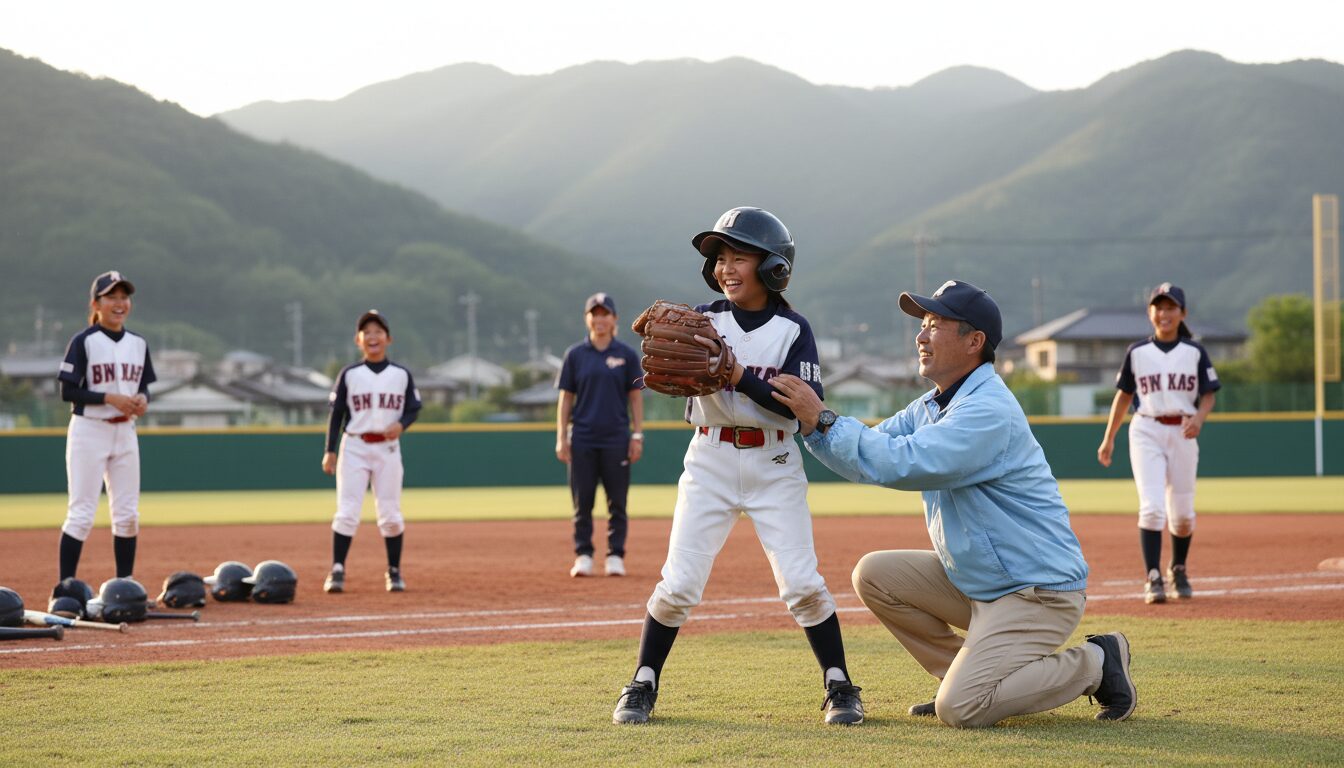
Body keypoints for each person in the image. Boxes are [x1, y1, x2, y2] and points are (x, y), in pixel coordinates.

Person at [771, 279, 1137, 727]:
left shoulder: (987, 411)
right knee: (875, 575)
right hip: (981, 585)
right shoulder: (931, 405)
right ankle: (959, 678)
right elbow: (869, 450)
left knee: (960, 710)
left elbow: (902, 462)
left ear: (974, 341)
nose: (921, 336)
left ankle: (1097, 662)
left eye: (935, 325)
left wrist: (823, 418)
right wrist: (813, 426)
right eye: (922, 325)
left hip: (1035, 593)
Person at [612, 207, 864, 726]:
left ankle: (839, 685)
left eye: (739, 257)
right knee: (679, 583)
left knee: (801, 584)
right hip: (709, 459)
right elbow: (672, 370)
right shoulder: (704, 321)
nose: (726, 268)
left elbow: (803, 404)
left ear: (773, 267)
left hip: (774, 461)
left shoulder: (793, 330)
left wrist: (737, 374)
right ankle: (642, 682)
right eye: (720, 258)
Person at [1098, 283, 1219, 604]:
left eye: (1170, 307)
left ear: (1182, 313)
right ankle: (1153, 577)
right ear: (1150, 312)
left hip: (1182, 431)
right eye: (1158, 307)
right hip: (1146, 429)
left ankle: (1178, 568)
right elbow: (1123, 396)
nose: (1164, 313)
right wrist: (1109, 438)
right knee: (1151, 508)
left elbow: (1208, 394)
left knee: (1182, 516)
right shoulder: (1138, 352)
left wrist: (1199, 417)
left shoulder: (1194, 351)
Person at [56, 270, 156, 582]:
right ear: (96, 303)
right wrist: (109, 397)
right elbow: (68, 391)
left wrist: (142, 399)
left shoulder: (138, 343)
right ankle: (64, 588)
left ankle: (124, 587)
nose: (119, 303)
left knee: (127, 516)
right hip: (90, 430)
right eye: (111, 296)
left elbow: (143, 386)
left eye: (123, 296)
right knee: (81, 514)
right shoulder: (84, 341)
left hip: (125, 432)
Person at [321, 309, 422, 593]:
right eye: (367, 332)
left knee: (390, 513)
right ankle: (337, 570)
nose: (373, 336)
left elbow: (414, 408)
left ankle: (394, 571)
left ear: (388, 339)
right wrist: (330, 450)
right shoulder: (350, 374)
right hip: (354, 446)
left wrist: (402, 425)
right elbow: (337, 413)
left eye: (378, 331)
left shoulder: (400, 375)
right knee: (347, 512)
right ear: (358, 340)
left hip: (388, 448)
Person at [556, 293, 645, 578]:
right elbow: (566, 398)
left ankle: (615, 556)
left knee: (617, 502)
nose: (600, 319)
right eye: (594, 313)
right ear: (587, 318)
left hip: (616, 438)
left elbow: (636, 398)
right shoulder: (575, 355)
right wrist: (561, 436)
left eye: (605, 313)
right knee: (582, 502)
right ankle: (583, 554)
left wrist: (637, 435)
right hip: (582, 437)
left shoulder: (626, 355)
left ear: (614, 319)